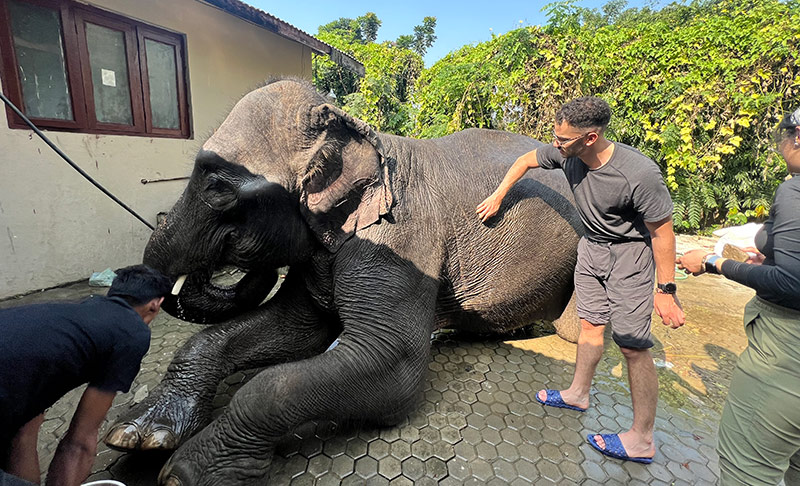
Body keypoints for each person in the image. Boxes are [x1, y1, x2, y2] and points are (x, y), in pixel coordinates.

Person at [476, 96, 685, 463]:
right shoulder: (565, 154)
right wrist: (498, 195)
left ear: (591, 138)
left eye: (564, 139)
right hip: (591, 249)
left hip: (630, 257)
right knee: (589, 326)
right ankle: (577, 393)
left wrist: (666, 290)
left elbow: (662, 232)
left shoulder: (638, 173)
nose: (556, 145)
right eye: (555, 137)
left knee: (633, 347)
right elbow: (525, 160)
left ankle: (642, 439)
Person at [678, 107, 800, 485]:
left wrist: (714, 262)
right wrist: (773, 256)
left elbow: (792, 282)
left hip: (785, 355)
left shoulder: (795, 188)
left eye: (784, 134)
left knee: (747, 469)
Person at [0, 265, 172, 486]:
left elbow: (25, 431)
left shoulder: (77, 310)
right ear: (155, 305)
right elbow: (79, 442)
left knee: (25, 427)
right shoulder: (133, 332)